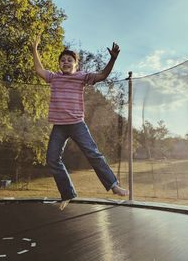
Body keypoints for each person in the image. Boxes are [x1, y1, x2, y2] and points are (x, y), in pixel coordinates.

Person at [32, 36, 129, 210]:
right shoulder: (54, 78)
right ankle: (67, 193)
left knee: (93, 154)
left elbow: (103, 75)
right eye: (62, 60)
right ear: (59, 65)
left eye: (70, 60)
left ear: (76, 64)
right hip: (59, 126)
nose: (66, 62)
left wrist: (112, 59)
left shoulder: (82, 77)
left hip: (77, 124)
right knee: (52, 158)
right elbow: (39, 69)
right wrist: (34, 50)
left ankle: (113, 185)